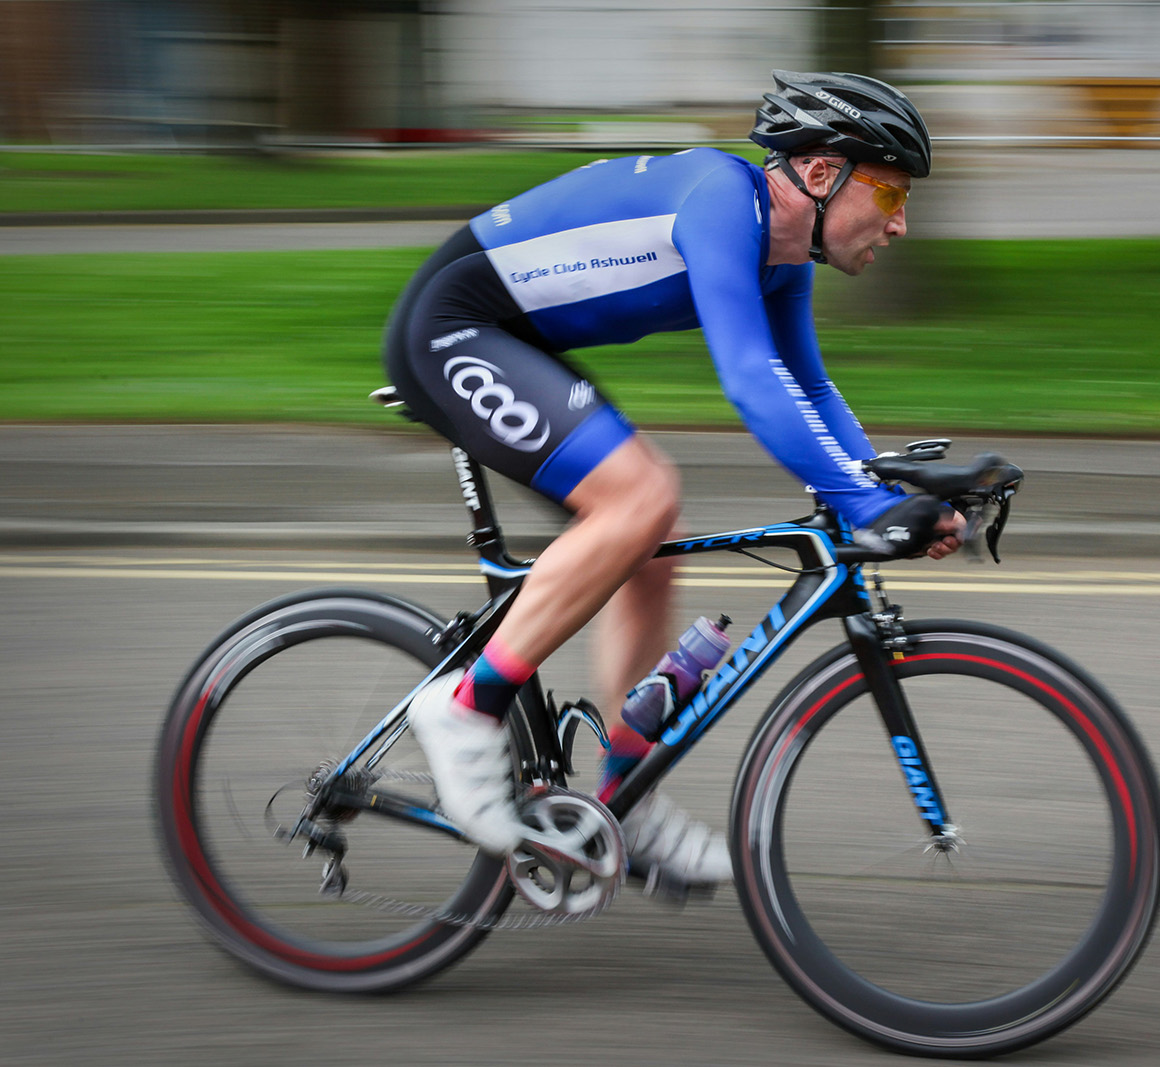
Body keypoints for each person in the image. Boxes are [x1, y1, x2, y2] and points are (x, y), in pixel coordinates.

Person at [384, 70, 963, 894]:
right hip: (451, 326)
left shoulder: (781, 256)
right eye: (892, 191)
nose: (901, 222)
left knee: (646, 547)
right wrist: (864, 502)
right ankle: (466, 704)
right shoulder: (725, 202)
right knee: (642, 494)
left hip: (514, 341)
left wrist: (887, 487)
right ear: (824, 174)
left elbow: (811, 390)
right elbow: (751, 379)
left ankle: (625, 796)